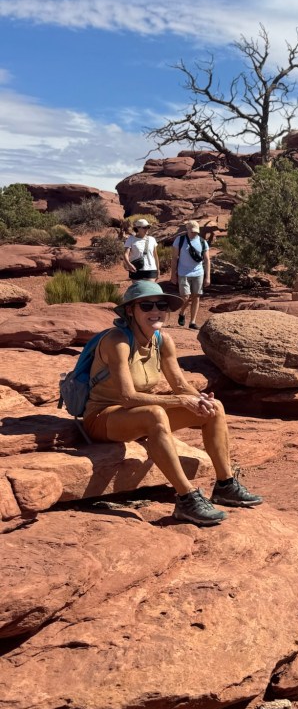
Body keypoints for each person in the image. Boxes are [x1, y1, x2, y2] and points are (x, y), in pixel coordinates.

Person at [81, 281, 263, 526]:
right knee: (155, 414)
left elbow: (179, 384)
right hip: (103, 418)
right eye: (146, 306)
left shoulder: (162, 340)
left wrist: (200, 400)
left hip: (138, 416)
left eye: (161, 305)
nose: (155, 311)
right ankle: (186, 498)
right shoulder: (117, 342)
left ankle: (225, 485)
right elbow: (127, 397)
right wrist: (180, 401)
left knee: (215, 408)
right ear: (130, 311)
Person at [170, 220, 211, 330]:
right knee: (185, 297)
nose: (194, 233)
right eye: (192, 231)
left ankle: (193, 321)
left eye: (196, 232)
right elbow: (174, 258)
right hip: (183, 272)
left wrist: (208, 277)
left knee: (196, 296)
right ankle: (182, 312)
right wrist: (173, 274)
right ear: (187, 229)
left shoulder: (203, 242)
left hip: (198, 273)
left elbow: (207, 260)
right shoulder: (180, 240)